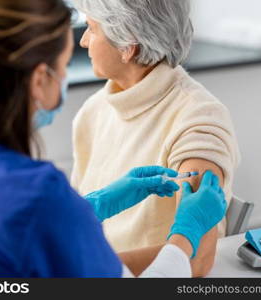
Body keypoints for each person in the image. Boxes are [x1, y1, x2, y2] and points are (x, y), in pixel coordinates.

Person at [0, 0, 226, 278]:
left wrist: (87, 209)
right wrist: (186, 235)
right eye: (65, 63)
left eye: (91, 29)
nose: (84, 42)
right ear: (40, 79)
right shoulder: (37, 195)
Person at [70, 0, 241, 276]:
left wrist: (82, 269)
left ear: (128, 46)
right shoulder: (94, 110)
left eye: (91, 28)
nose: (84, 41)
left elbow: (197, 260)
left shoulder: (197, 120)